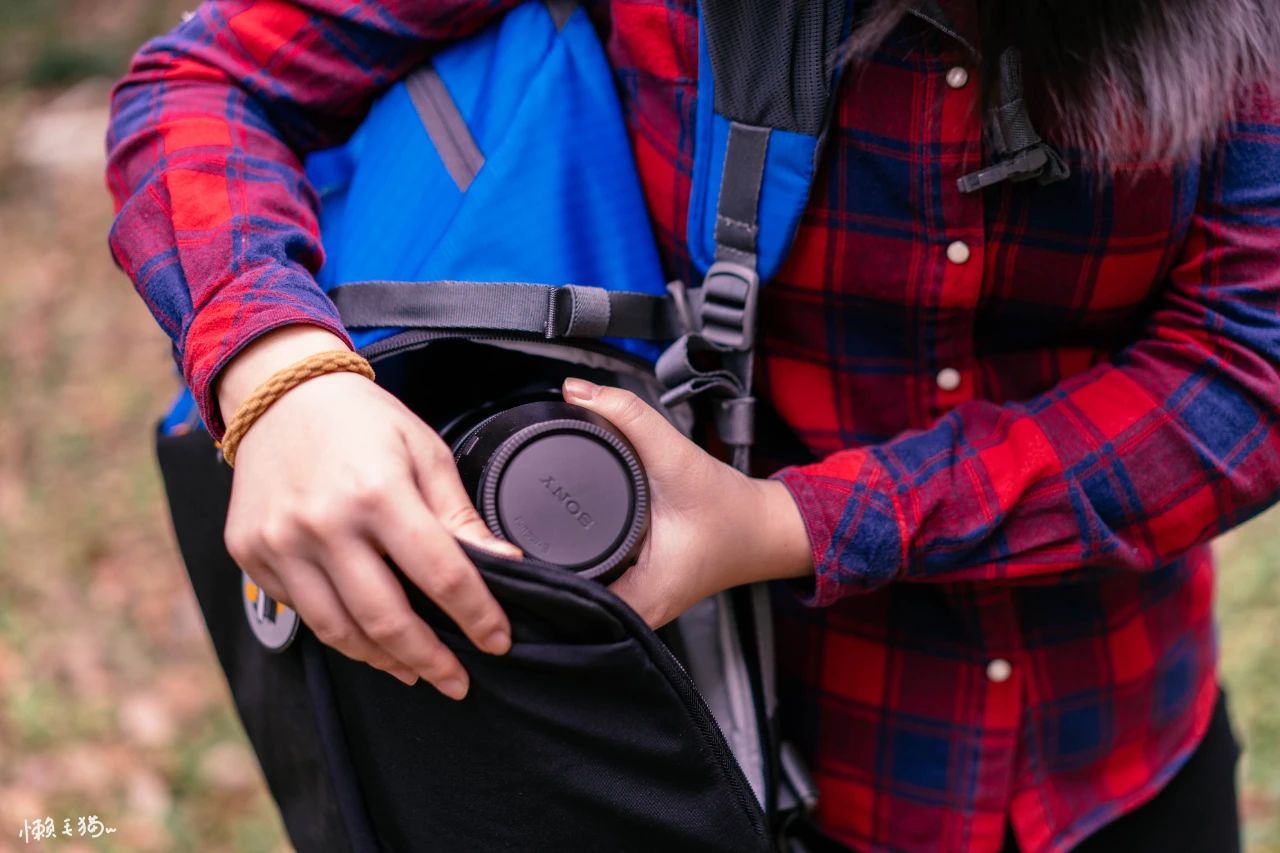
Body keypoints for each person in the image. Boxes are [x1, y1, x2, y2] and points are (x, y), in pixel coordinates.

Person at [106, 1, 1280, 851]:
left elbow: (1245, 365)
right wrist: (282, 370)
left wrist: (786, 523)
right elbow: (209, 80)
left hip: (1112, 750)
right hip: (696, 750)